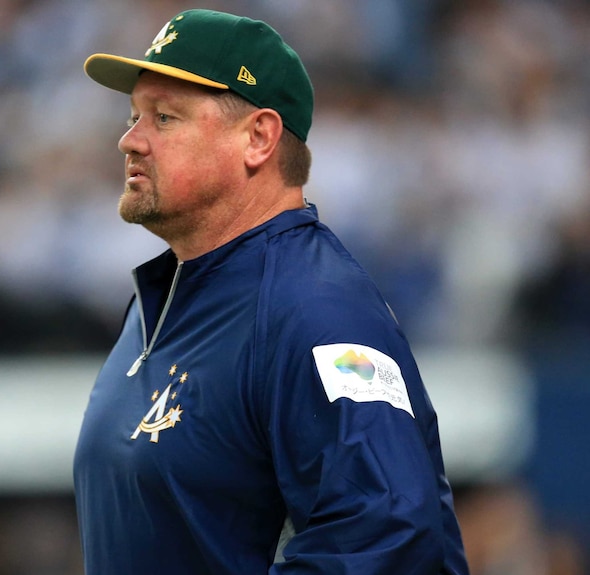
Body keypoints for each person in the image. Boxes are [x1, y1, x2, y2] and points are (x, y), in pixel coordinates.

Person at [72, 9, 469, 575]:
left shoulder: (319, 311)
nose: (129, 141)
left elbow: (390, 540)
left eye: (164, 118)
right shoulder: (157, 302)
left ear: (258, 137)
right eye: (134, 115)